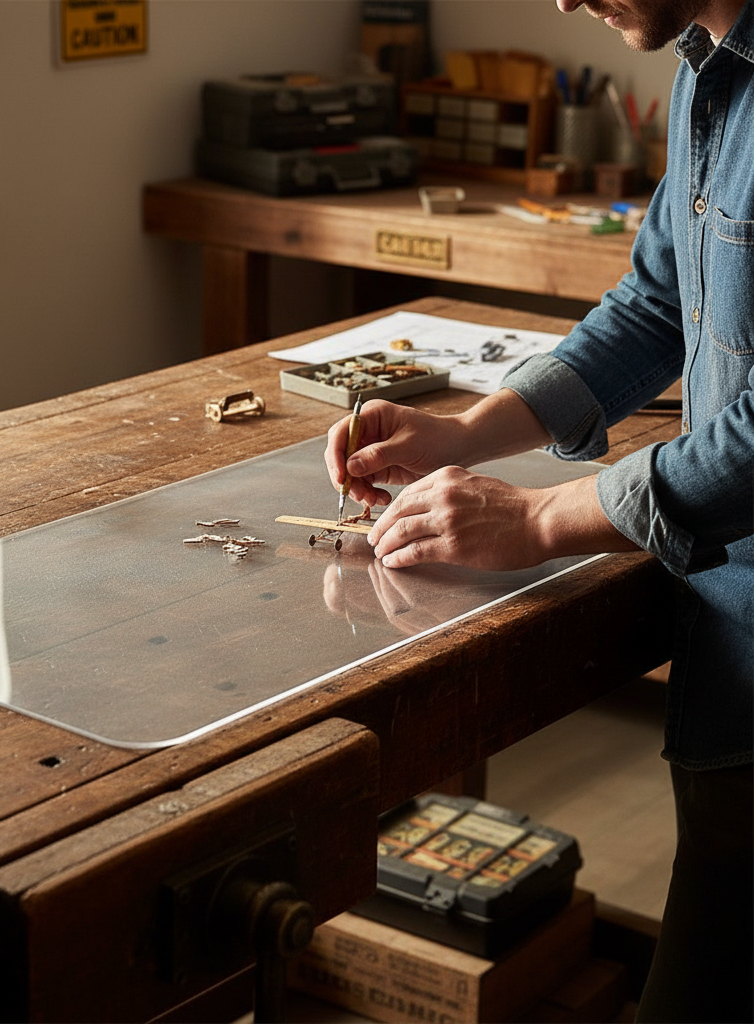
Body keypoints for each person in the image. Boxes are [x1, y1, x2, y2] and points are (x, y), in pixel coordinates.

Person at [326, 2, 753, 1020]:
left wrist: (541, 520)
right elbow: (658, 301)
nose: (559, 1)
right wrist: (468, 432)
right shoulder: (705, 68)